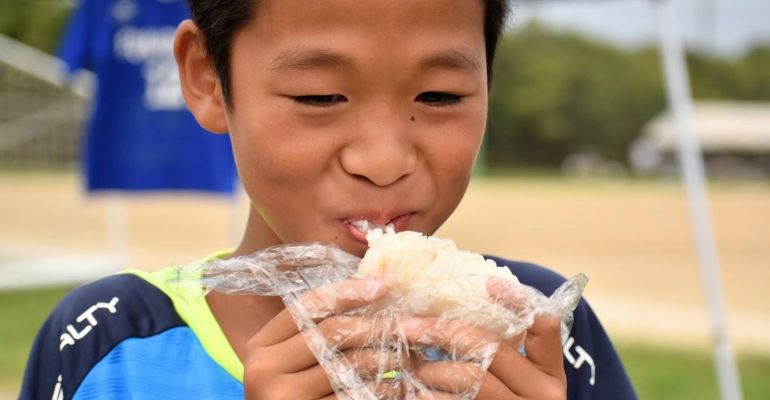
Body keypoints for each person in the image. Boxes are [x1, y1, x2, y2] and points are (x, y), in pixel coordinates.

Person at [20, 0, 638, 399]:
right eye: (319, 97)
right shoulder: (109, 344)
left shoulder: (542, 338)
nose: (384, 160)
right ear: (208, 79)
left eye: (441, 95)